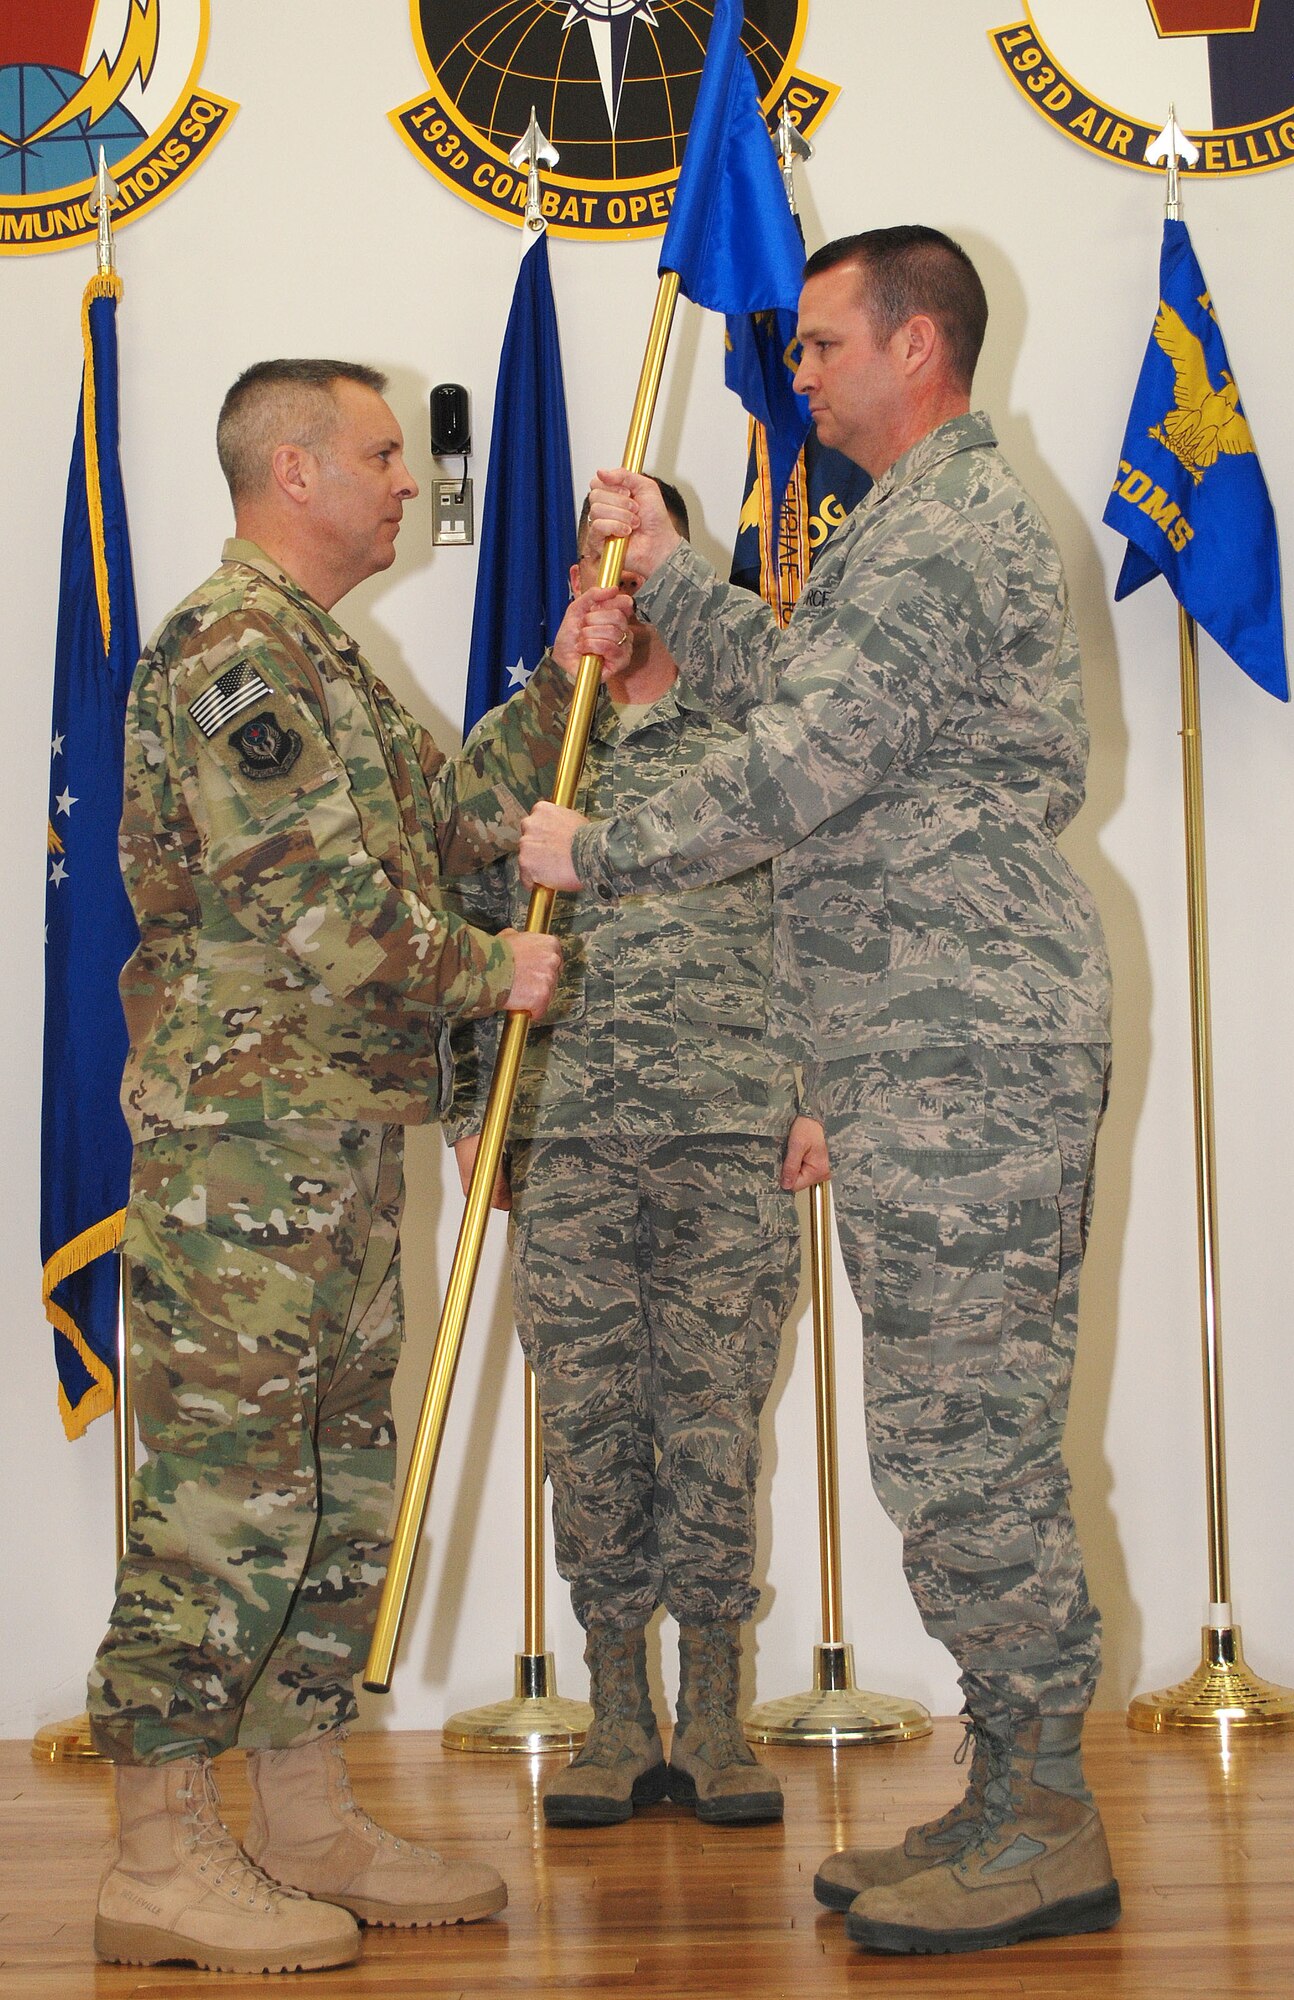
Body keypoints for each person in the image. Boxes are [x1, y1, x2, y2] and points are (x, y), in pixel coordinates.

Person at [518, 228, 1120, 1957]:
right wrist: (674, 576)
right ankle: (1015, 1789)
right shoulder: (906, 529)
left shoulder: (944, 531)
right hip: (926, 1047)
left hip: (964, 1047)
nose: (801, 373)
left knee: (968, 1438)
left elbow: (796, 765)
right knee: (951, 1431)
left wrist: (601, 847)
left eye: (823, 346)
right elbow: (801, 686)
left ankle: (1046, 1817)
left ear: (915, 349)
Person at [88, 359, 567, 1975]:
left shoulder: (322, 662)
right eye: (377, 453)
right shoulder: (232, 652)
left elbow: (453, 820)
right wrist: (488, 970)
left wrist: (570, 674)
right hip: (246, 1157)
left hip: (337, 1148)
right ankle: (157, 1855)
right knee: (224, 1501)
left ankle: (301, 1815)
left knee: (337, 1494)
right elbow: (322, 908)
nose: (404, 481)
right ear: (292, 470)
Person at [446, 483, 828, 1830]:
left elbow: (823, 916)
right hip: (563, 1140)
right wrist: (464, 1120)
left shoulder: (750, 736)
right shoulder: (530, 747)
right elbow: (457, 904)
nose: (608, 587)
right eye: (587, 567)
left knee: (715, 1427)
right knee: (592, 1429)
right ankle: (618, 1713)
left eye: (633, 559)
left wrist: (819, 1090)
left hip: (730, 1129)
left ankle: (716, 1715)